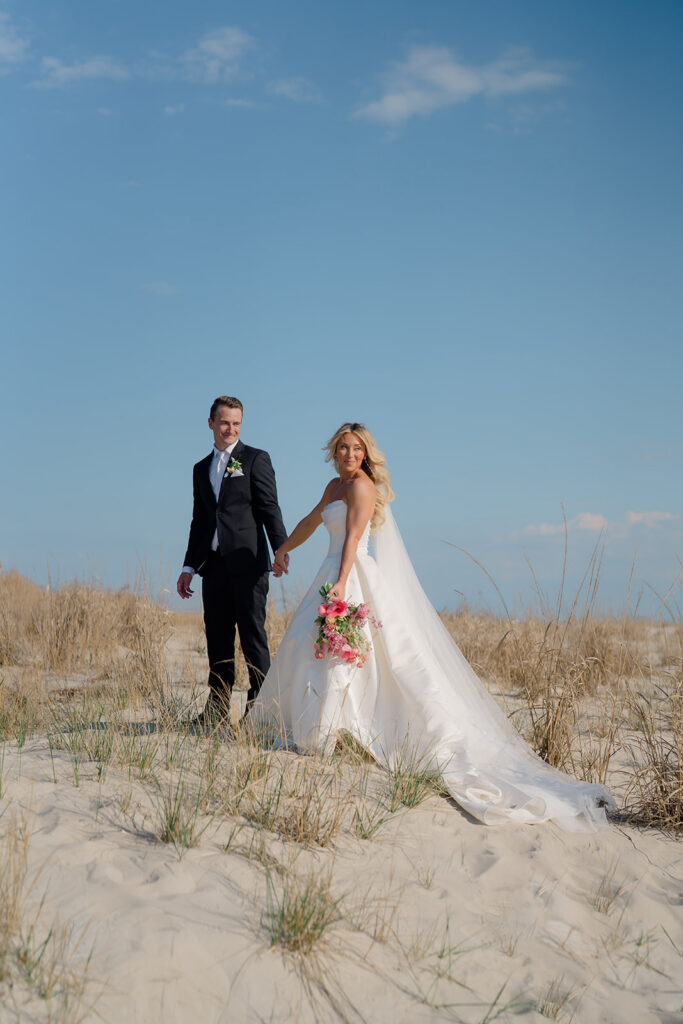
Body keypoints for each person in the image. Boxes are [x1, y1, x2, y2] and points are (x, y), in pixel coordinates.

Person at [248, 422, 615, 833]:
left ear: (365, 454)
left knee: (357, 652)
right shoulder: (333, 487)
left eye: (355, 449)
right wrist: (283, 547)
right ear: (333, 452)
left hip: (349, 574)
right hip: (331, 570)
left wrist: (341, 583)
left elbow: (352, 538)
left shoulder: (363, 488)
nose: (348, 454)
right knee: (312, 647)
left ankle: (333, 732)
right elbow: (312, 521)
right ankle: (317, 728)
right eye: (342, 448)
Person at [177, 396, 288, 726]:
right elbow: (200, 521)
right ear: (211, 423)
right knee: (218, 639)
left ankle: (261, 711)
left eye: (237, 423)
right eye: (225, 422)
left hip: (248, 565)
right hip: (214, 567)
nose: (231, 429)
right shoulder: (201, 469)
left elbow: (270, 508)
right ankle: (216, 710)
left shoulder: (254, 459)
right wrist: (188, 567)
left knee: (253, 637)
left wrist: (281, 549)